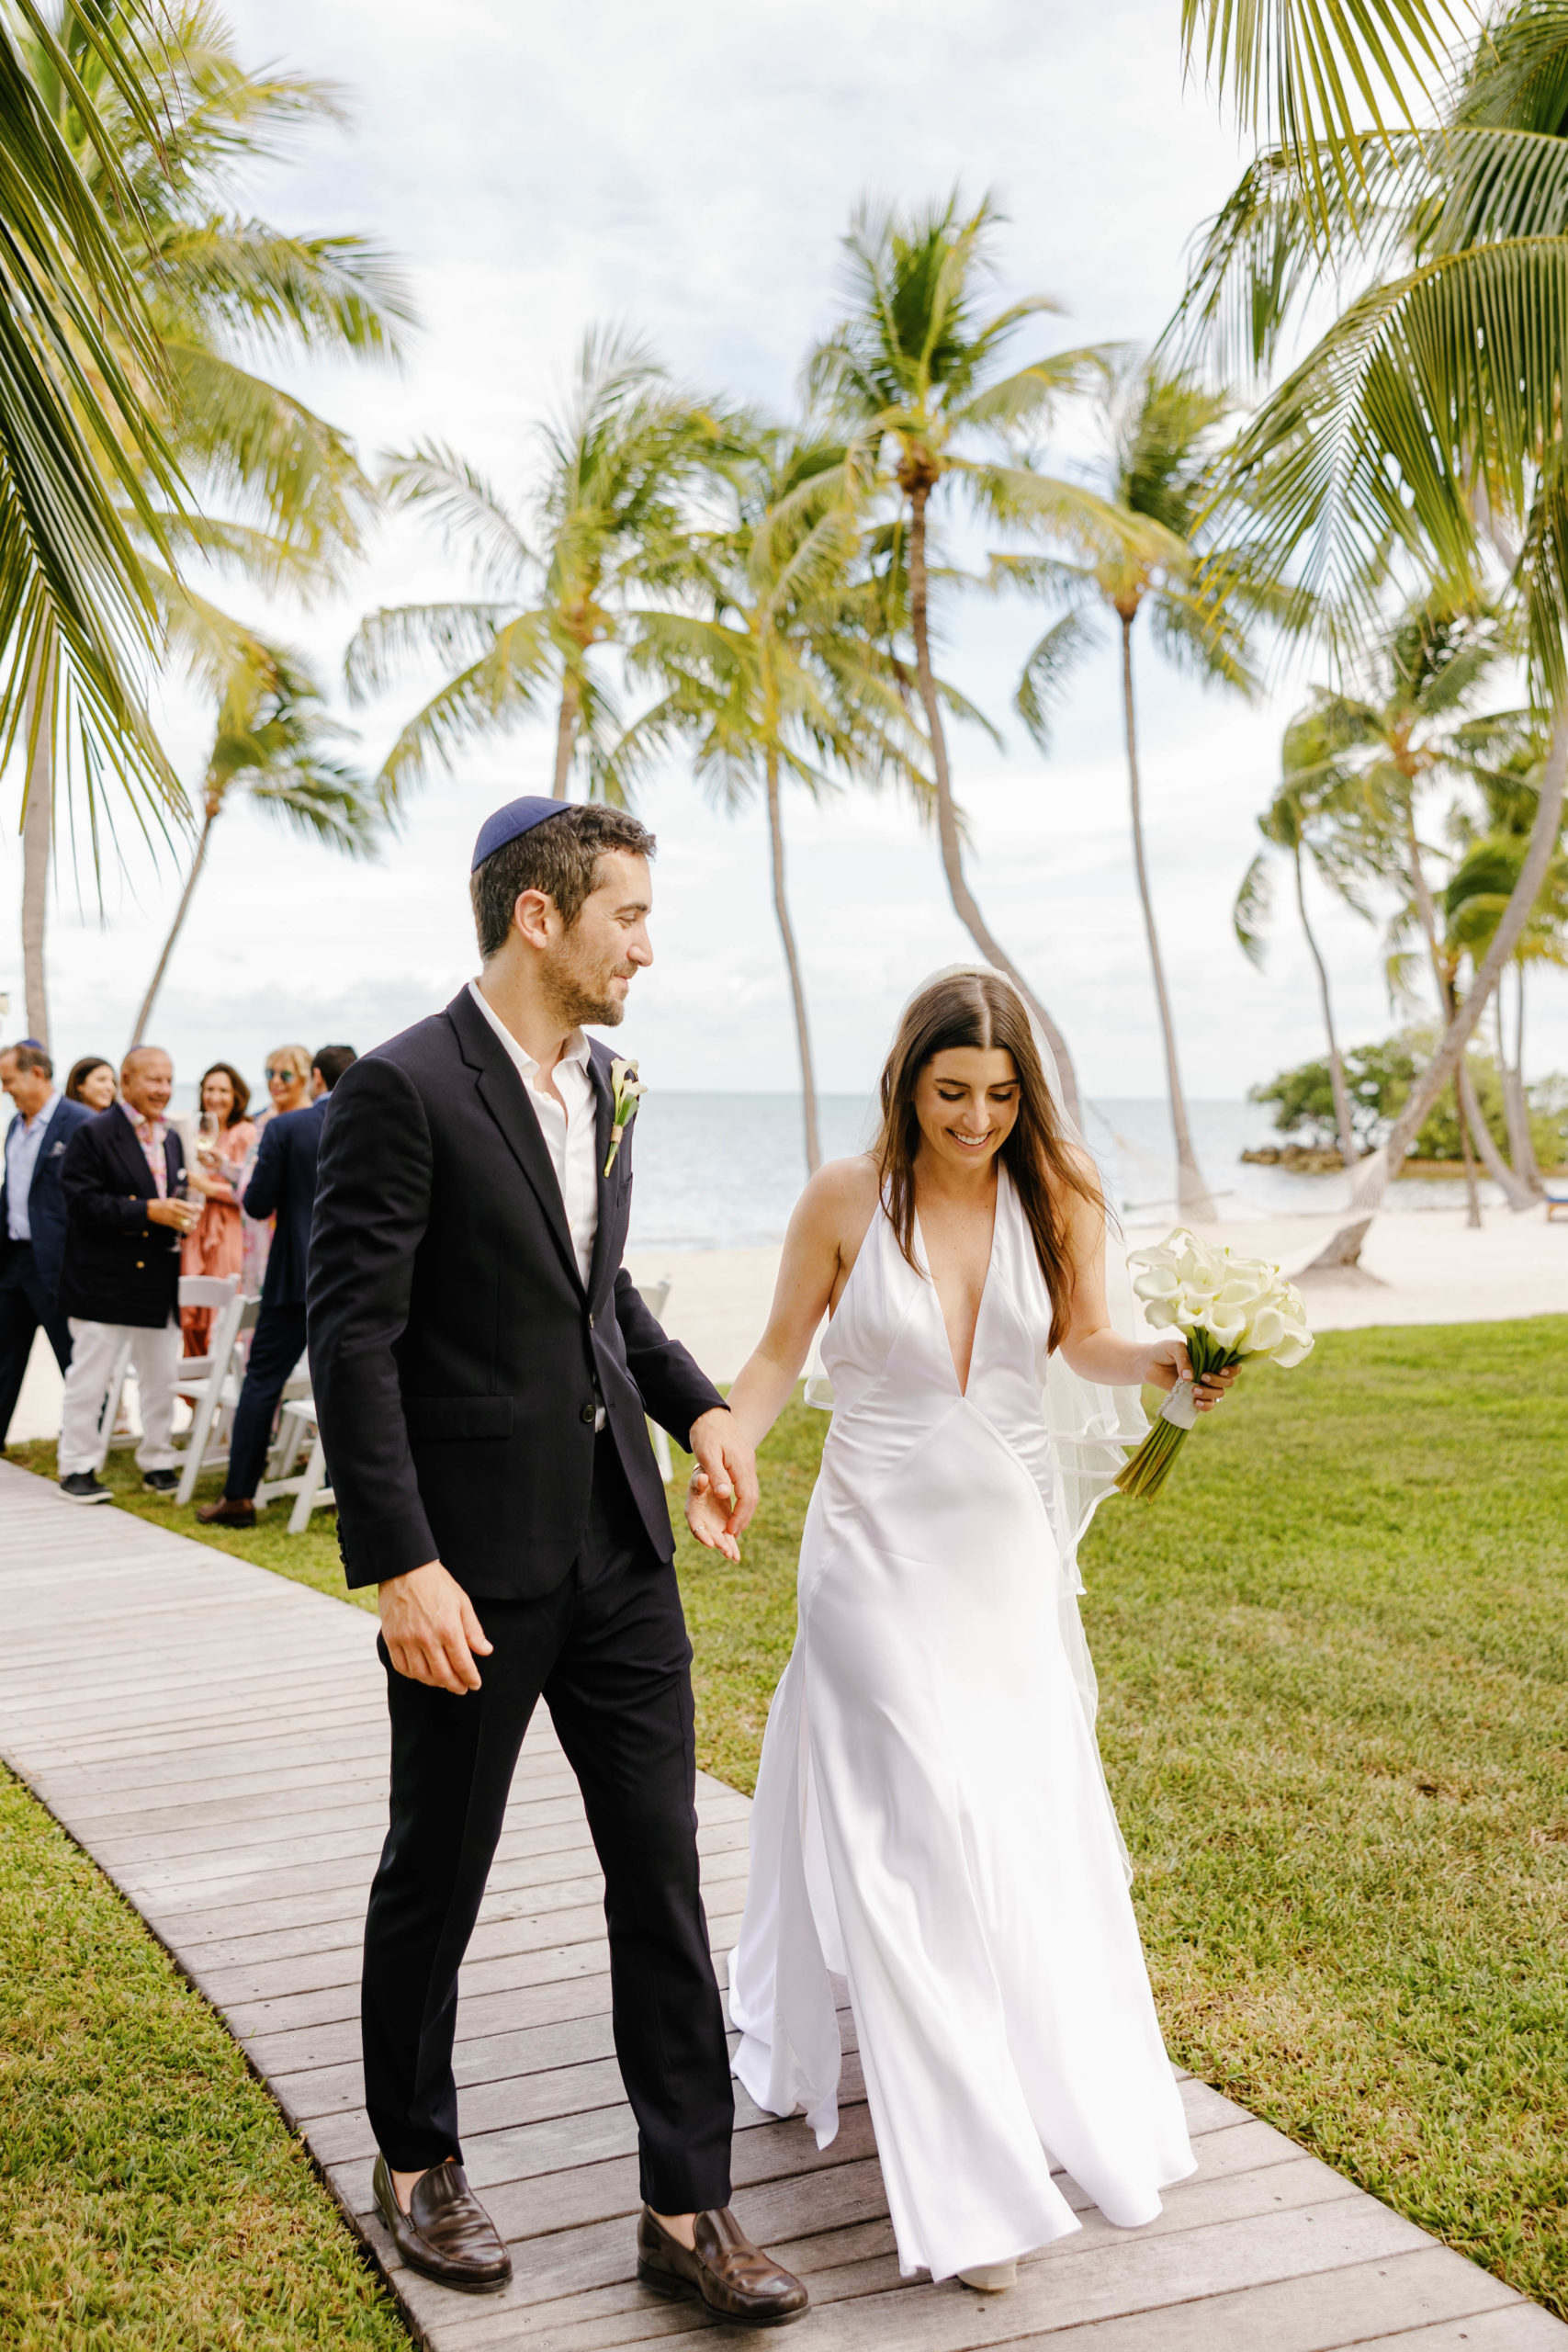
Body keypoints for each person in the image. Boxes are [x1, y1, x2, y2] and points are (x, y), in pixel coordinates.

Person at [307, 797, 807, 2322]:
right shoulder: (400, 1089)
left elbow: (599, 1304)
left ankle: (686, 2201)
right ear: (540, 917)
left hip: (620, 1551)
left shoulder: (613, 1083)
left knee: (659, 1871)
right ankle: (415, 2161)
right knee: (437, 1873)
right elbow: (354, 1337)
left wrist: (701, 1404)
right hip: (472, 1568)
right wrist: (403, 1563)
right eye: (628, 917)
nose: (647, 948)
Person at [714, 969, 1235, 2294]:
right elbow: (779, 1355)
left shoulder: (1052, 1190)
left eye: (999, 1096)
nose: (974, 1118)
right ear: (906, 1080)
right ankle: (969, 2190)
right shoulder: (842, 1198)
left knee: (1006, 1818)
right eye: (951, 1092)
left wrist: (1171, 1355)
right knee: (917, 1827)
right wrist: (727, 1445)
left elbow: (1085, 1343)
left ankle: (1018, 2088)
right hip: (866, 1553)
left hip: (997, 1553)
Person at [196, 1046, 355, 1527]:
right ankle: (347, 1496)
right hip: (360, 1278)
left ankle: (240, 1497)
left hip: (296, 1278)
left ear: (317, 1078)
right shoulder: (379, 1123)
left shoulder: (286, 1128)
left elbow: (258, 1204)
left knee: (262, 1382)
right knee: (354, 1385)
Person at [55, 1046, 208, 1503]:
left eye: (168, 1079)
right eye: (153, 1080)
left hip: (157, 1279)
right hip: (102, 1279)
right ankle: (76, 1467)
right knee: (90, 1378)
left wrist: (178, 1214)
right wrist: (150, 1211)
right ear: (127, 1080)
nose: (163, 1089)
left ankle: (157, 1460)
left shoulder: (173, 1137)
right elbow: (80, 1204)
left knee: (161, 1377)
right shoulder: (93, 1133)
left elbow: (170, 1193)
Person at [0, 1043, 94, 1447]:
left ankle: (90, 1441)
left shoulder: (80, 1123)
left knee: (73, 1357)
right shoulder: (15, 1125)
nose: (5, 1090)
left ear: (36, 1074)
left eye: (8, 1081)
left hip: (58, 1262)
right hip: (13, 1258)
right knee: (4, 1354)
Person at [181, 1062, 257, 1356]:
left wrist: (209, 1187)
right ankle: (196, 1395)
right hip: (196, 1227)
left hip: (228, 1231)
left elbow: (251, 1190)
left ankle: (223, 1384)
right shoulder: (194, 1130)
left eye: (223, 1090)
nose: (215, 1097)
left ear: (236, 1095)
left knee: (222, 1306)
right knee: (192, 1309)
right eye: (210, 1089)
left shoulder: (245, 1133)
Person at [239, 1043, 312, 1297]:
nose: (276, 1082)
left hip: (282, 1238)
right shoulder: (263, 1120)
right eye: (270, 1074)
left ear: (306, 1078)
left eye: (286, 1075)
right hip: (252, 1235)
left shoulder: (306, 1125)